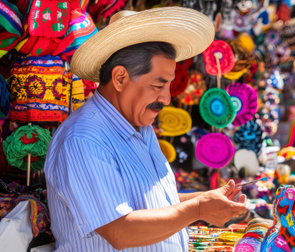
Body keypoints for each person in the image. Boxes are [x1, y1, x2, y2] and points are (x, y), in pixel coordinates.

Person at [43, 8, 248, 251]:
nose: (167, 98)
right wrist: (198, 208)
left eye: (169, 85)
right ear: (120, 79)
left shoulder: (140, 128)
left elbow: (153, 202)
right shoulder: (83, 139)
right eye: (158, 85)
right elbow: (119, 230)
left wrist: (208, 199)